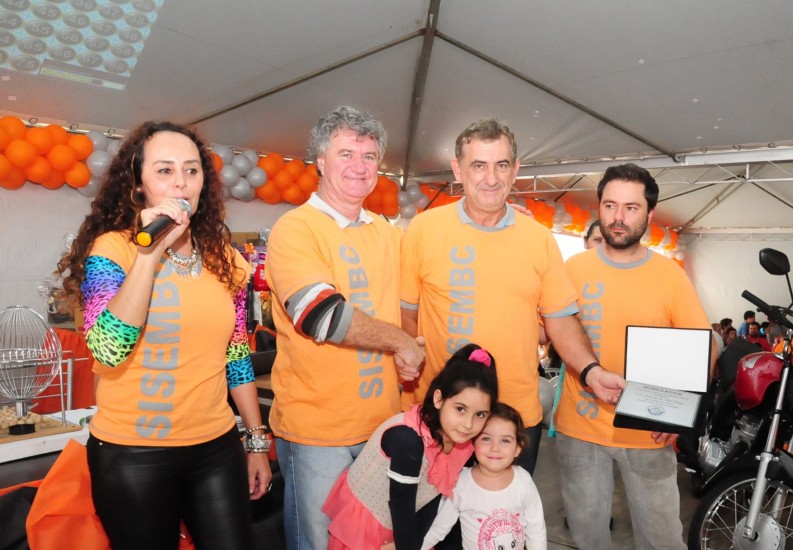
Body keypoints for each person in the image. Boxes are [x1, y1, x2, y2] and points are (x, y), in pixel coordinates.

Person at [57, 121, 271, 550]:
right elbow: (108, 351)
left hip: (215, 446)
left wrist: (256, 440)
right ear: (139, 185)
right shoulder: (113, 251)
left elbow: (235, 354)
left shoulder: (227, 261)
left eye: (191, 170)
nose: (180, 182)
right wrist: (148, 256)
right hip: (132, 454)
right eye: (165, 170)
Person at [399, 119, 618, 475]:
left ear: (515, 170)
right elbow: (406, 312)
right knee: (433, 513)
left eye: (501, 165)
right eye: (478, 165)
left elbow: (560, 321)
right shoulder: (424, 229)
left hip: (511, 422)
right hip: (442, 418)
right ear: (458, 169)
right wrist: (407, 363)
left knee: (505, 513)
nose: (491, 178)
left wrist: (592, 373)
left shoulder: (539, 238)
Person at [266, 106, 426, 550]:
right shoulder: (295, 229)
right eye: (346, 154)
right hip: (318, 432)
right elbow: (320, 316)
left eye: (370, 156)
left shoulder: (389, 234)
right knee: (318, 544)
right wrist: (401, 343)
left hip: (382, 426)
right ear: (320, 160)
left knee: (374, 542)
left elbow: (415, 300)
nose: (360, 166)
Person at [555, 163, 713, 550]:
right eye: (610, 206)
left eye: (631, 207)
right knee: (588, 538)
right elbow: (552, 330)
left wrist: (678, 414)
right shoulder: (572, 269)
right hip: (579, 429)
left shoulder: (670, 276)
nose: (618, 217)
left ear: (649, 213)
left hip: (648, 432)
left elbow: (703, 347)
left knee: (662, 540)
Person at [323, 343, 499, 550]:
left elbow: (430, 499)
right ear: (439, 399)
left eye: (480, 415)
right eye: (460, 409)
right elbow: (402, 506)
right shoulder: (408, 440)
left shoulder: (461, 441)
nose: (469, 424)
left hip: (408, 529)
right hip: (367, 527)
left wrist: (413, 544)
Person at [421, 402, 547, 550]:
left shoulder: (523, 481)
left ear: (518, 448)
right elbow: (439, 528)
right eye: (486, 438)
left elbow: (536, 528)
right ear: (473, 444)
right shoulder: (460, 482)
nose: (495, 448)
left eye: (505, 440)